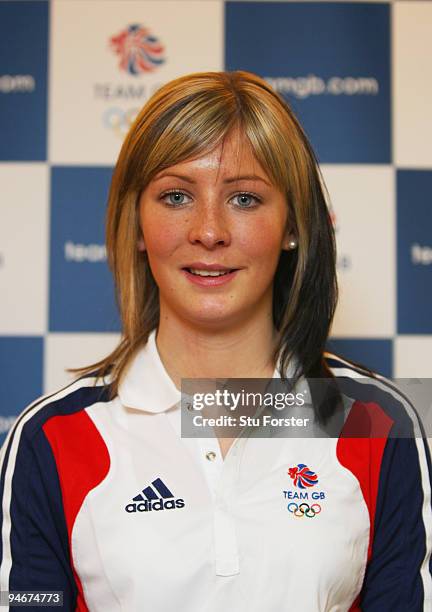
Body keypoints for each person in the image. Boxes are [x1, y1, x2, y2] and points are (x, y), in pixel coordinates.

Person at [0, 71, 431, 612]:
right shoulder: (51, 438)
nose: (209, 230)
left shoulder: (379, 421)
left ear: (293, 225)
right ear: (135, 224)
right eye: (176, 196)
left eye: (245, 198)